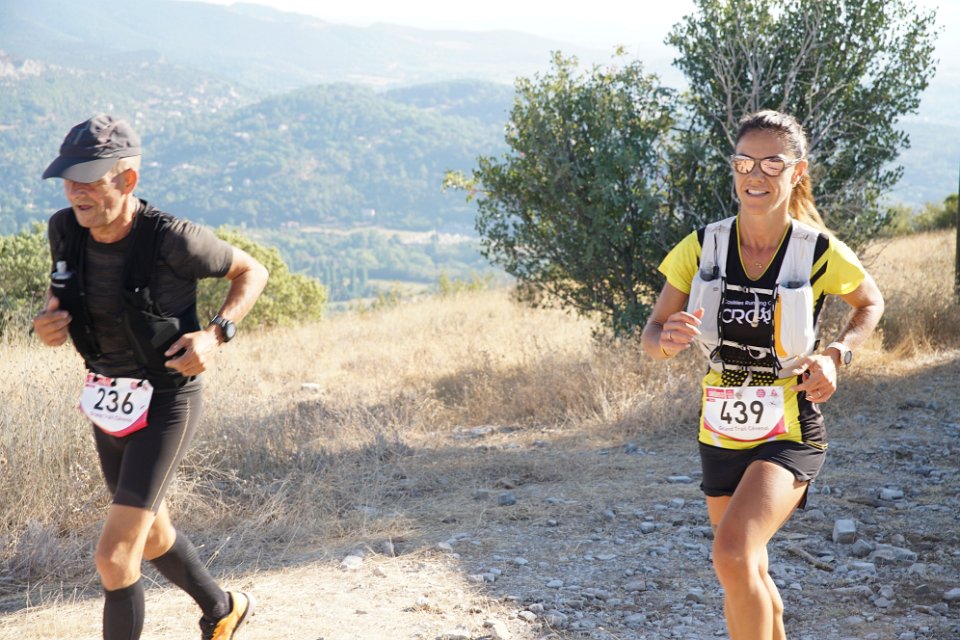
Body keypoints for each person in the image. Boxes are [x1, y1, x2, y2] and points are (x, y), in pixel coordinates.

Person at [641, 110, 884, 640]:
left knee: (731, 554)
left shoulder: (817, 250)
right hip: (719, 431)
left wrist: (837, 354)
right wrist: (667, 340)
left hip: (790, 429)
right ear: (733, 168)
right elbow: (652, 336)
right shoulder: (701, 246)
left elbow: (870, 302)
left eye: (772, 163)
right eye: (744, 162)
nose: (756, 174)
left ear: (797, 171)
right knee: (745, 567)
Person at [32, 114, 269, 640]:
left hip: (167, 400)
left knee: (115, 556)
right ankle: (223, 608)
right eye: (68, 179)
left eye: (89, 179)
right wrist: (48, 324)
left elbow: (254, 271)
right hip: (108, 397)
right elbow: (59, 302)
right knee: (153, 534)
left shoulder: (175, 240)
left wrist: (215, 334)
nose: (75, 191)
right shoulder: (64, 229)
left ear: (128, 179)